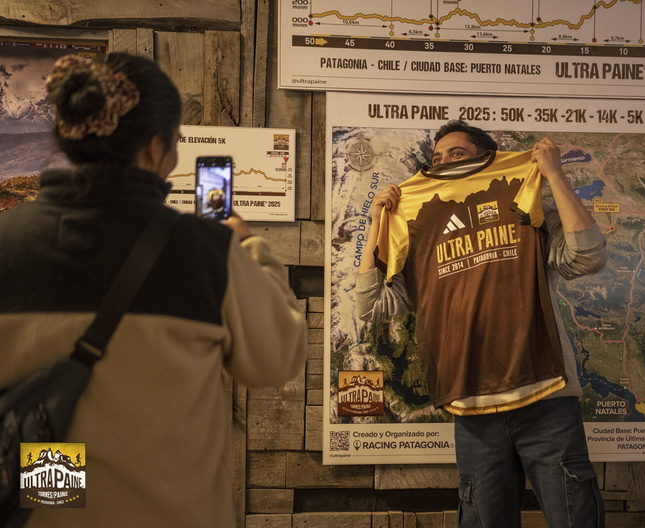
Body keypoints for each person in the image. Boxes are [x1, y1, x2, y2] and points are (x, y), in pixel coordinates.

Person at [0, 53, 307, 527]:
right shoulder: (207, 253)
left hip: (51, 510)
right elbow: (276, 358)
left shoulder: (7, 242)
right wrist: (248, 245)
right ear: (153, 148)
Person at [356, 120, 608, 527]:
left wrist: (554, 176)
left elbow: (588, 257)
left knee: (576, 519)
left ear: (489, 158)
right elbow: (372, 306)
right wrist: (376, 223)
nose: (444, 162)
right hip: (471, 407)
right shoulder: (417, 216)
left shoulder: (522, 197)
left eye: (457, 153)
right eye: (436, 158)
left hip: (546, 395)